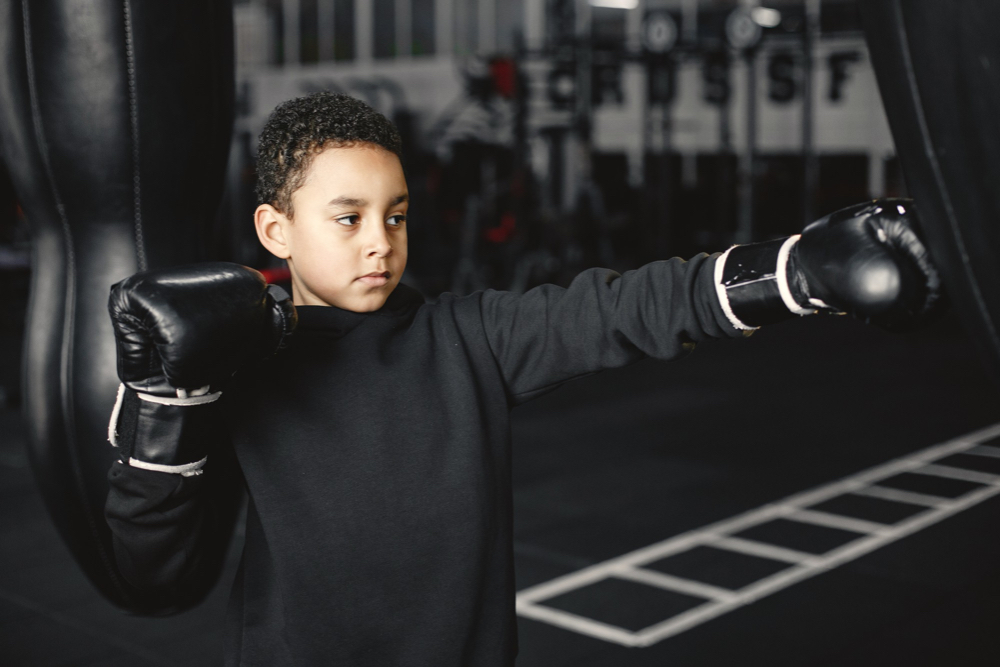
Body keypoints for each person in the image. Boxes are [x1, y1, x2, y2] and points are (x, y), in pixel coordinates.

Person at [104, 92, 939, 666]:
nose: (379, 243)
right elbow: (154, 569)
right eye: (348, 217)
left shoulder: (465, 338)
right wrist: (166, 405)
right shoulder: (241, 366)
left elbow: (618, 309)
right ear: (274, 228)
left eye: (396, 216)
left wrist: (790, 270)